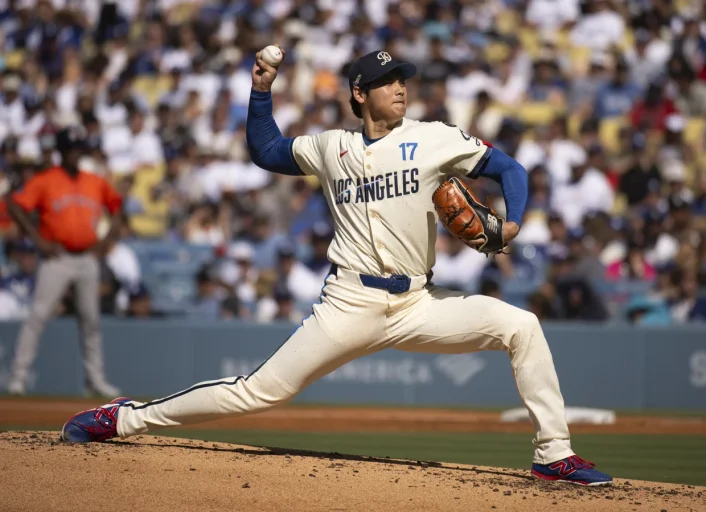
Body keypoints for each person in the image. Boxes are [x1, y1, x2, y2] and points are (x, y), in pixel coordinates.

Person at [61, 48, 612, 486]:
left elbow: (509, 168)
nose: (401, 87)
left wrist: (511, 224)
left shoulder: (433, 137)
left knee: (521, 326)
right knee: (257, 392)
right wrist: (259, 90)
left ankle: (552, 455)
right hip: (349, 303)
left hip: (419, 303)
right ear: (359, 93)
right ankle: (125, 417)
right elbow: (266, 150)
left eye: (404, 79)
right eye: (389, 80)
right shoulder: (332, 147)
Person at [6, 126, 124, 397]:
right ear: (60, 151)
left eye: (78, 149)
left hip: (86, 258)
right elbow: (14, 204)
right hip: (56, 258)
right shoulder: (46, 180)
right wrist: (37, 240)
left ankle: (95, 380)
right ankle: (18, 378)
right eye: (70, 149)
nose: (75, 154)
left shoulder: (94, 181)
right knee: (37, 316)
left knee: (90, 320)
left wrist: (106, 241)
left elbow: (117, 205)